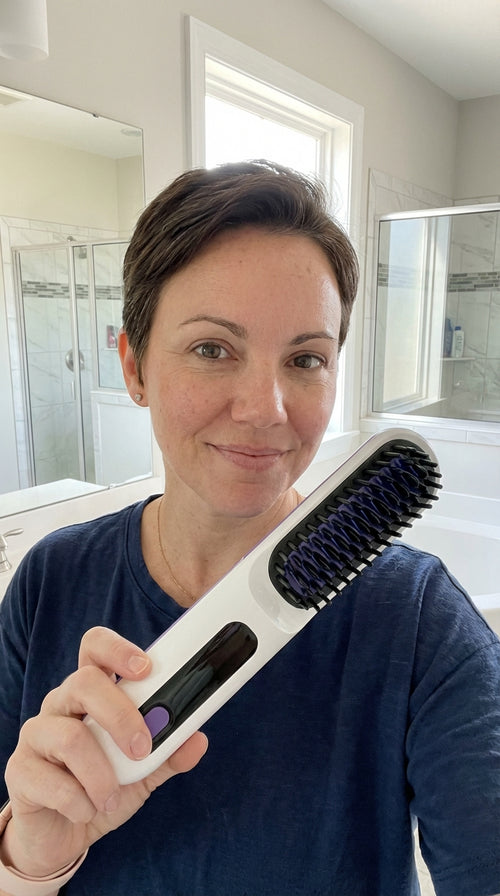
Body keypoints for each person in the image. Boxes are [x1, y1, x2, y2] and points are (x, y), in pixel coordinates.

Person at [0, 160, 499, 896]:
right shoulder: (51, 580)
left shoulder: (419, 621)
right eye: (212, 349)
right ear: (134, 367)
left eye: (305, 358)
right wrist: (31, 859)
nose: (266, 408)